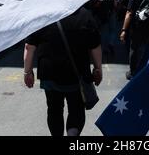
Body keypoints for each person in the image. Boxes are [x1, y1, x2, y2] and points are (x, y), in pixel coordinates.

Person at [23, 7, 103, 136]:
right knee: (76, 109)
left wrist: (28, 72)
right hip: (77, 72)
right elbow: (95, 45)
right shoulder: (84, 15)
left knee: (54, 109)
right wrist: (98, 69)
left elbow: (29, 46)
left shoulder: (42, 15)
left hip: (49, 73)